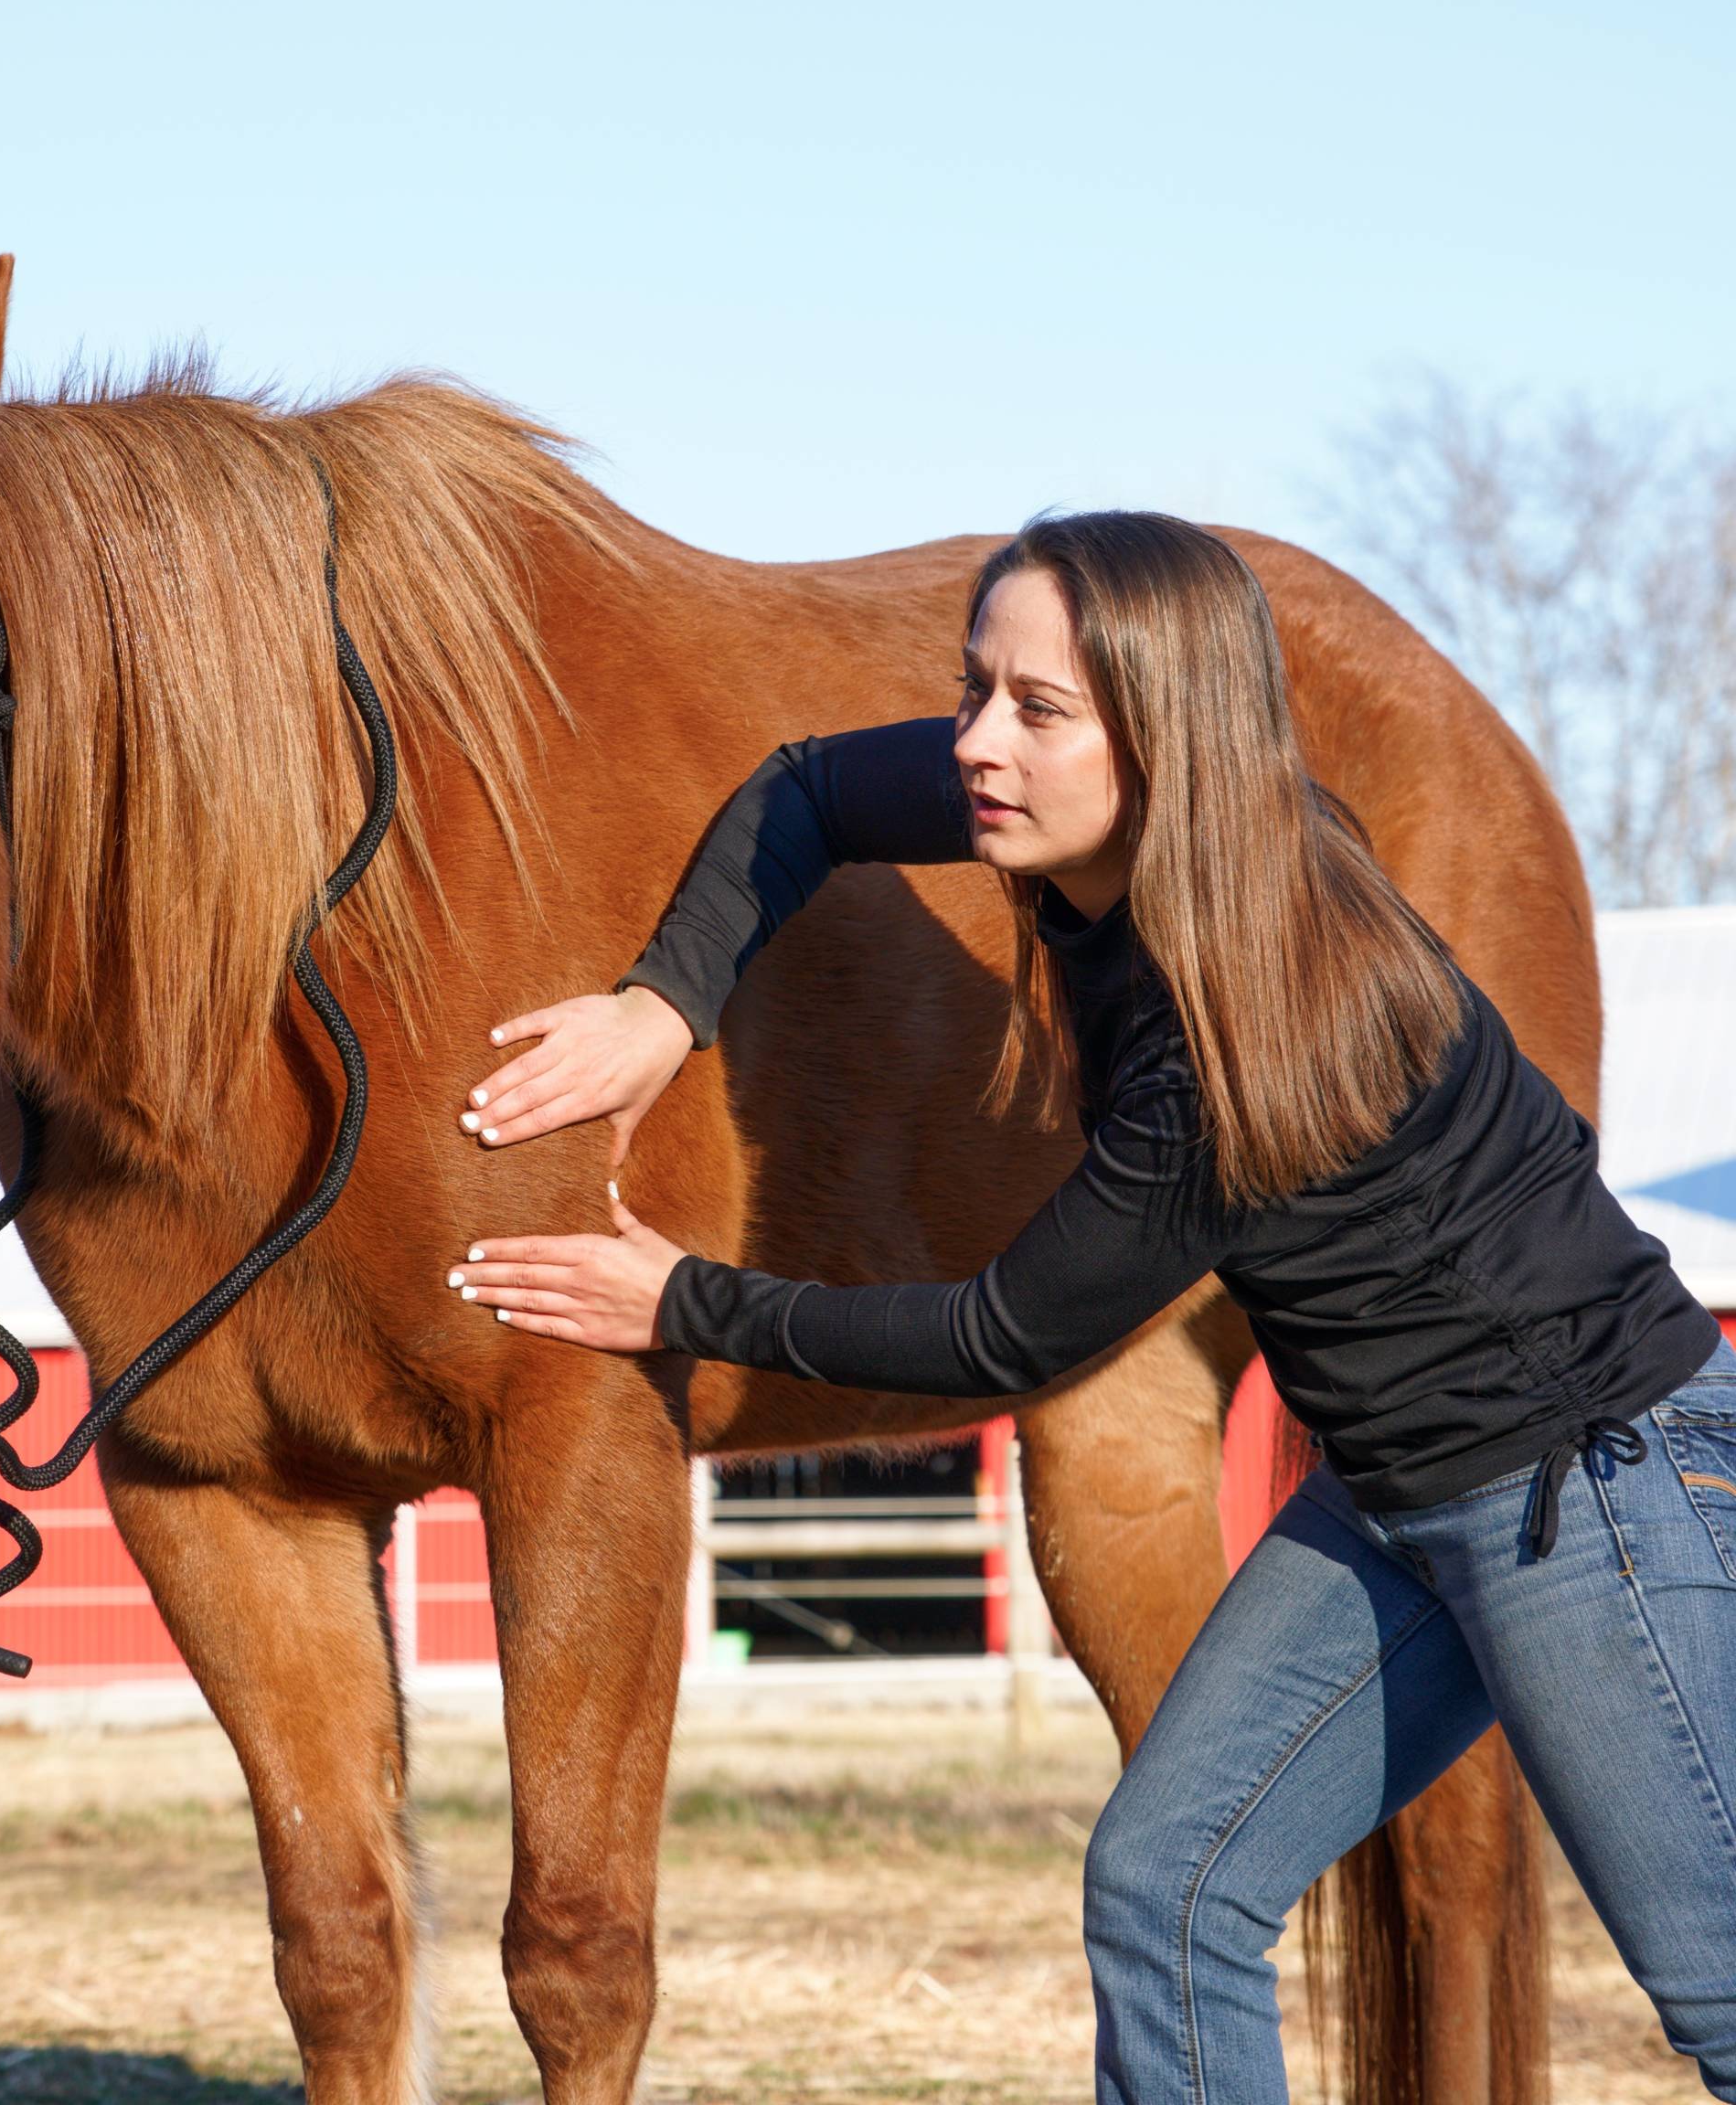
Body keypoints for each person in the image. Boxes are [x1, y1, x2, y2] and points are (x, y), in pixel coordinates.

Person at [439, 510, 1736, 2103]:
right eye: (976, 686)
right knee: (1168, 1889)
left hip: (1588, 1488)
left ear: (1162, 737)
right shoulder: (1068, 813)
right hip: (1393, 1503)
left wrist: (682, 1300)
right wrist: (662, 1007)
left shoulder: (1257, 1014)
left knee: (1719, 1990)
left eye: (1035, 710)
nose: (978, 743)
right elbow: (810, 785)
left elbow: (1004, 1340)